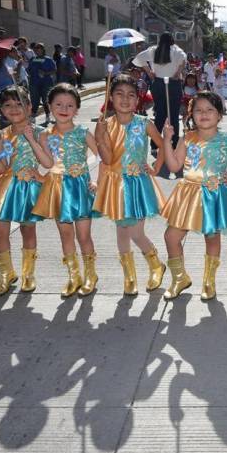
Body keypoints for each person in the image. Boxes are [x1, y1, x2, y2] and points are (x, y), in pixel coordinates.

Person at [160, 91, 227, 300]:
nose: (204, 114)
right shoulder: (187, 138)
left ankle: (209, 280)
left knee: (211, 238)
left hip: (212, 194)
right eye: (198, 110)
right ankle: (179, 278)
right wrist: (167, 141)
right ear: (191, 114)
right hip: (188, 194)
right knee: (171, 236)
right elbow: (174, 166)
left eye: (210, 109)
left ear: (219, 115)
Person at [93, 74, 167, 295]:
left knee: (136, 232)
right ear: (110, 98)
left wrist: (156, 166)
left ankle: (156, 265)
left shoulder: (144, 124)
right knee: (122, 232)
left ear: (137, 100)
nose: (125, 99)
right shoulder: (105, 125)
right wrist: (99, 137)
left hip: (137, 184)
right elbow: (106, 159)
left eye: (131, 95)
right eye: (119, 94)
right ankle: (129, 276)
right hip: (115, 184)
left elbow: (162, 145)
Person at [0, 85, 53, 295]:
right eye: (8, 105)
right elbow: (1, 166)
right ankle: (5, 274)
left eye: (19, 104)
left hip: (28, 188)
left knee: (28, 230)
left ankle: (28, 273)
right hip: (7, 189)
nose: (14, 108)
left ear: (29, 107)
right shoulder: (2, 136)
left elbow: (48, 162)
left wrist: (40, 175)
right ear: (2, 110)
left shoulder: (40, 133)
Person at [28, 83, 100, 297]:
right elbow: (49, 163)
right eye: (58, 104)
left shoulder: (83, 133)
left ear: (77, 109)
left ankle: (91, 274)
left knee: (84, 236)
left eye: (70, 105)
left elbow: (100, 157)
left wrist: (96, 180)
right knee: (65, 234)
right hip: (58, 188)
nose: (64, 108)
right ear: (49, 106)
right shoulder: (44, 135)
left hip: (80, 187)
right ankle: (73, 275)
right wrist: (33, 141)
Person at [133, 32, 187, 147]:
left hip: (158, 84)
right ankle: (174, 143)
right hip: (173, 83)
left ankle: (154, 144)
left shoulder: (153, 49)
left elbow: (138, 58)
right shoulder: (175, 49)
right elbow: (184, 58)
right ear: (172, 40)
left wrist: (149, 71)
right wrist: (178, 72)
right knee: (173, 115)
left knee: (160, 115)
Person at [27, 43, 56, 125]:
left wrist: (45, 73)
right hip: (34, 83)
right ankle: (33, 118)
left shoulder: (48, 59)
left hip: (46, 83)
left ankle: (47, 116)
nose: (37, 50)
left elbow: (54, 70)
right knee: (34, 100)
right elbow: (28, 70)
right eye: (36, 49)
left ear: (43, 50)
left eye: (39, 49)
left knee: (45, 100)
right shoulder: (32, 59)